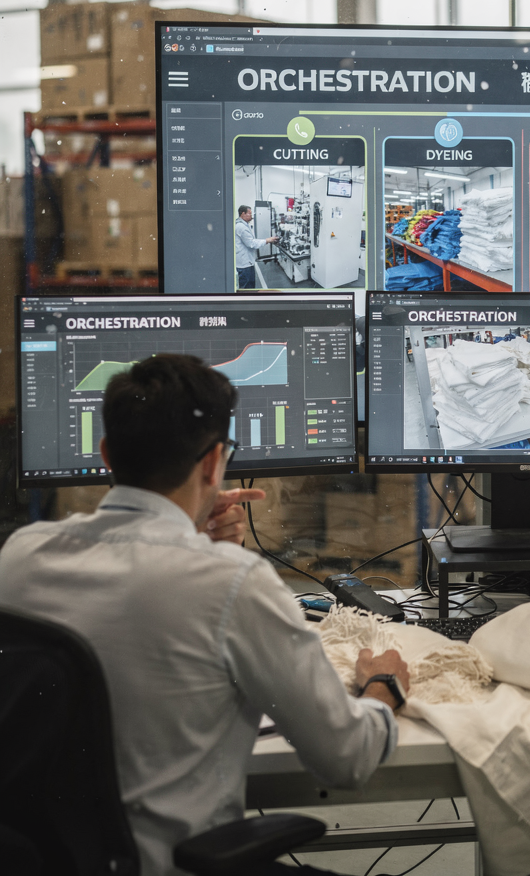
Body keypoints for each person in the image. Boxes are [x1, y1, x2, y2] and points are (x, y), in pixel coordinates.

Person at [0, 355, 408, 876]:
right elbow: (345, 759)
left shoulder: (21, 555)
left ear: (106, 455)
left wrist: (193, 540)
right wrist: (382, 688)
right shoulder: (230, 582)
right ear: (215, 462)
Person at [235, 204, 279, 289]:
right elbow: (252, 243)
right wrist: (267, 240)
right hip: (245, 264)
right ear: (243, 214)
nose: (251, 216)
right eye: (250, 214)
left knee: (250, 286)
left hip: (247, 261)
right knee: (247, 288)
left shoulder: (243, 224)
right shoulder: (241, 227)